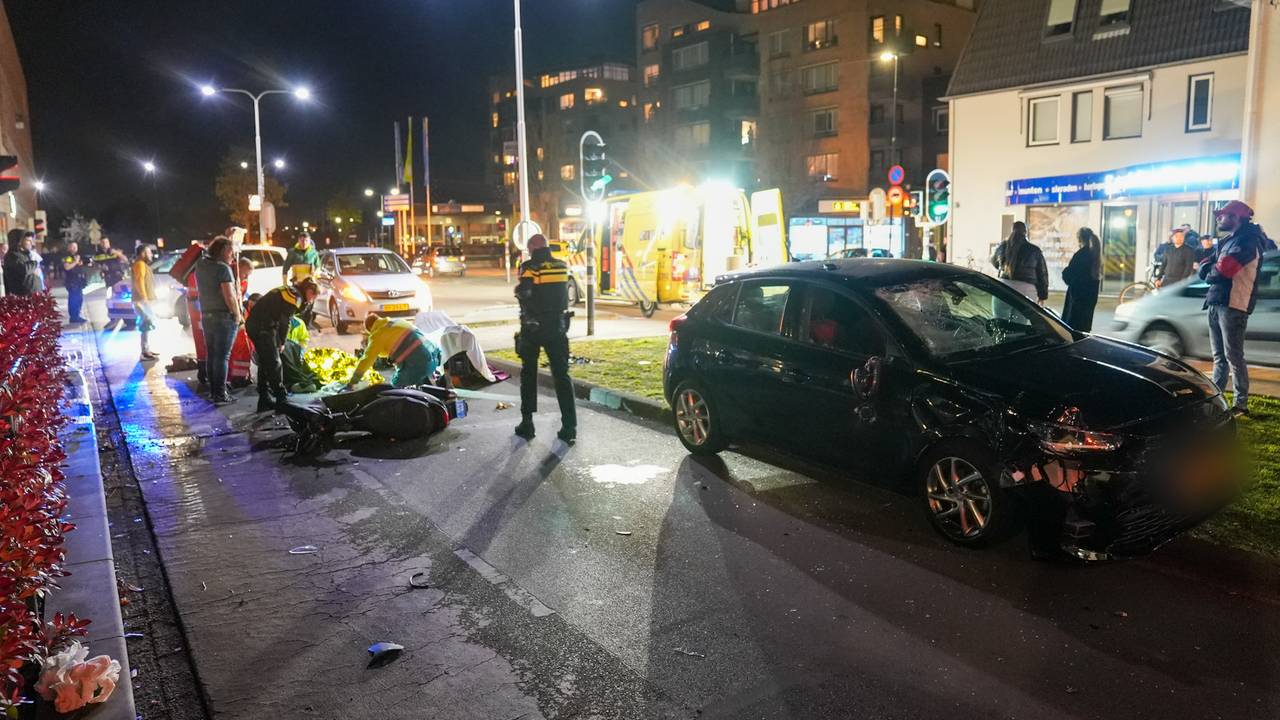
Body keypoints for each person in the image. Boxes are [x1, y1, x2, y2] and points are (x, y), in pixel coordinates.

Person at [1199, 200, 1266, 417]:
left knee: (1233, 357)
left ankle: (1241, 405)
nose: (1219, 218)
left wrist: (1210, 270)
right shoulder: (1230, 240)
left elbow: (1222, 271)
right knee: (1220, 357)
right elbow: (1207, 265)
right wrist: (1210, 268)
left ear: (1236, 217)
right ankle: (1217, 398)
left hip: (1234, 305)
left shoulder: (1247, 241)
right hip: (1218, 301)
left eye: (1223, 215)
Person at [514, 233, 576, 443]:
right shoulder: (561, 265)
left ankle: (527, 423)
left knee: (529, 374)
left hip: (533, 328)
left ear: (532, 247)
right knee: (561, 375)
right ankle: (569, 425)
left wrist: (519, 287)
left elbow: (525, 293)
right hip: (558, 328)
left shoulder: (529, 267)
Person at [246, 278, 319, 413]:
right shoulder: (295, 297)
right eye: (312, 296)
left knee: (265, 361)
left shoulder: (289, 290)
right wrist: (282, 342)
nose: (311, 301)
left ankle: (264, 399)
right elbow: (285, 321)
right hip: (263, 327)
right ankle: (281, 399)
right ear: (308, 291)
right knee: (274, 363)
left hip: (255, 324)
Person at [194, 236, 243, 405]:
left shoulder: (200, 265)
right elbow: (229, 295)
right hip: (223, 317)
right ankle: (221, 395)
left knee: (212, 355)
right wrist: (237, 315)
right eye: (231, 252)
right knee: (222, 356)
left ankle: (213, 391)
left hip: (206, 315)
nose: (233, 256)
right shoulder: (223, 269)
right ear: (223, 251)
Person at [343, 312, 444, 390]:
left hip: (419, 365)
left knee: (394, 388)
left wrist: (353, 381)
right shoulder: (398, 322)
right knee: (420, 384)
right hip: (434, 358)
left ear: (370, 329)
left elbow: (366, 360)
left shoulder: (377, 335)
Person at [990, 221, 1049, 304]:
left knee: (1000, 317)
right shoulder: (1034, 250)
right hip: (1027, 291)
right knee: (1023, 317)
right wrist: (1042, 295)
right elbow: (1042, 273)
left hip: (1004, 287)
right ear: (1026, 232)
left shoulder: (1003, 246)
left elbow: (994, 262)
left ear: (1012, 230)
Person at [1061, 227, 1102, 331]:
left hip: (1077, 298)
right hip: (1089, 298)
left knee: (1073, 329)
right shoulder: (1095, 254)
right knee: (1084, 328)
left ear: (1080, 239)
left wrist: (1065, 271)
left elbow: (1068, 276)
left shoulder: (1081, 255)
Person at [131, 245, 159, 361]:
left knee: (147, 324)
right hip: (141, 301)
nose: (151, 254)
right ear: (143, 253)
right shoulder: (140, 265)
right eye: (149, 252)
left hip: (142, 301)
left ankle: (146, 349)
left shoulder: (142, 265)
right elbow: (139, 281)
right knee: (146, 323)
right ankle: (144, 352)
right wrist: (144, 298)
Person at [3, 229, 37, 296]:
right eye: (28, 240)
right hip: (22, 299)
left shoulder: (25, 254)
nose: (31, 243)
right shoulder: (11, 256)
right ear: (18, 241)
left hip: (33, 296)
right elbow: (24, 269)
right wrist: (35, 263)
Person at [62, 242, 87, 323]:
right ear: (68, 248)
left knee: (79, 299)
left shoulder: (76, 257)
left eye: (75, 247)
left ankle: (77, 315)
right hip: (72, 282)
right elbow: (67, 267)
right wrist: (75, 262)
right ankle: (74, 317)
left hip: (78, 281)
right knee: (74, 299)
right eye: (72, 247)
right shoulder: (68, 257)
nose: (74, 248)